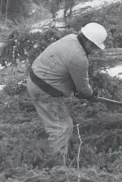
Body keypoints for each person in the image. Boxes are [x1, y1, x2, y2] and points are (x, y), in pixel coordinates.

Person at [27, 22, 107, 168]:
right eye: (95, 47)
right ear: (89, 42)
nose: (95, 51)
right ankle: (57, 168)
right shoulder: (79, 57)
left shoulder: (70, 38)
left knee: (56, 123)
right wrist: (90, 95)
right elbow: (82, 86)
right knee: (62, 126)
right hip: (45, 90)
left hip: (35, 80)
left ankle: (52, 158)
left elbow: (63, 68)